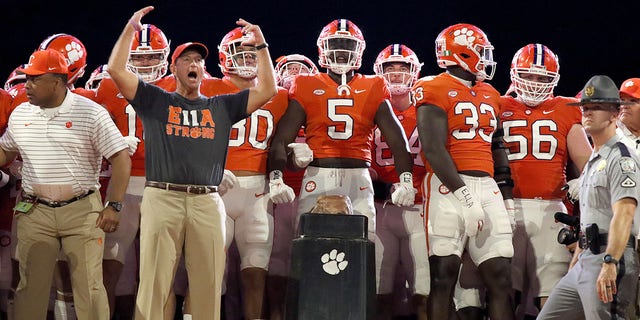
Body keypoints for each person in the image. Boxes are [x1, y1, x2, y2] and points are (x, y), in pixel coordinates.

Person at [106, 6, 276, 320]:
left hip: (207, 200)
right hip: (162, 197)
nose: (194, 64)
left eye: (199, 59)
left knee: (208, 285)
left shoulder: (221, 106)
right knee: (154, 283)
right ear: (174, 67)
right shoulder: (156, 100)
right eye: (187, 59)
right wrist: (130, 26)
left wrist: (262, 45)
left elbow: (267, 89)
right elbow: (116, 69)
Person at [267, 22, 416, 287]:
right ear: (323, 49)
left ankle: (355, 308)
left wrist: (406, 179)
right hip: (318, 173)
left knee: (363, 248)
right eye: (335, 45)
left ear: (359, 51)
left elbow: (396, 139)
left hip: (358, 175)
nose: (341, 52)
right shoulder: (305, 84)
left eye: (347, 45)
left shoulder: (374, 85)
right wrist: (279, 175)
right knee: (309, 246)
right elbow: (282, 139)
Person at [0, 48, 130, 320]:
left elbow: (120, 157)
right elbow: (6, 150)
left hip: (81, 211)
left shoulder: (91, 113)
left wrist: (114, 205)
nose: (28, 86)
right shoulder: (22, 113)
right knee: (30, 288)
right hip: (35, 211)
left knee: (89, 289)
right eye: (27, 78)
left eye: (35, 79)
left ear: (57, 82)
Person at [414, 23, 515, 320]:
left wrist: (506, 195)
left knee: (501, 276)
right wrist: (465, 196)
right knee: (443, 276)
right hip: (447, 185)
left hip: (487, 185)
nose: (485, 58)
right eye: (481, 51)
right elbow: (432, 148)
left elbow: (498, 144)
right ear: (462, 53)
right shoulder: (432, 87)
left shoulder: (490, 93)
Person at [499, 43, 593, 317]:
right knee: (504, 290)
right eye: (528, 76)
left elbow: (587, 162)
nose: (534, 83)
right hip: (504, 206)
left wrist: (582, 180)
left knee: (551, 294)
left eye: (542, 78)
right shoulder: (498, 104)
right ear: (515, 74)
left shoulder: (566, 108)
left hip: (550, 209)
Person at [203, 26, 289, 320]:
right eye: (240, 53)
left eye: (252, 54)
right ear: (224, 57)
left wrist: (294, 155)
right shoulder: (207, 88)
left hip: (257, 192)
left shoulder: (279, 96)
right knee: (208, 273)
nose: (247, 59)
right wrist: (207, 167)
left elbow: (280, 143)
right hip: (215, 190)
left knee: (255, 275)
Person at [538, 75, 640, 319]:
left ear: (615, 114)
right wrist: (578, 258)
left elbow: (625, 214)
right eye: (585, 107)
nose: (587, 112)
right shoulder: (595, 158)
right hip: (585, 258)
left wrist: (610, 262)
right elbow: (590, 216)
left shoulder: (622, 158)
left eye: (597, 107)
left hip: (610, 255)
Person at [94, 23, 173, 319]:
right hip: (123, 185)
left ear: (164, 57)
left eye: (151, 57)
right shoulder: (107, 86)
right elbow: (91, 133)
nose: (144, 63)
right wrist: (110, 144)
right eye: (138, 58)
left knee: (160, 272)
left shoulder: (178, 86)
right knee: (109, 267)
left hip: (163, 185)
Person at [369, 43, 429, 320]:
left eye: (402, 68)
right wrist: (387, 188)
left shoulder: (428, 112)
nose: (395, 74)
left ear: (414, 72)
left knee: (423, 290)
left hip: (422, 208)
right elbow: (363, 166)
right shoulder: (368, 113)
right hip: (381, 206)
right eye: (389, 68)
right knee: (380, 289)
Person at [267, 53, 318, 320]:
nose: (295, 73)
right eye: (289, 69)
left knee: (310, 260)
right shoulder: (273, 101)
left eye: (301, 69)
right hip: (278, 192)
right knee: (275, 259)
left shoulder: (319, 101)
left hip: (314, 191)